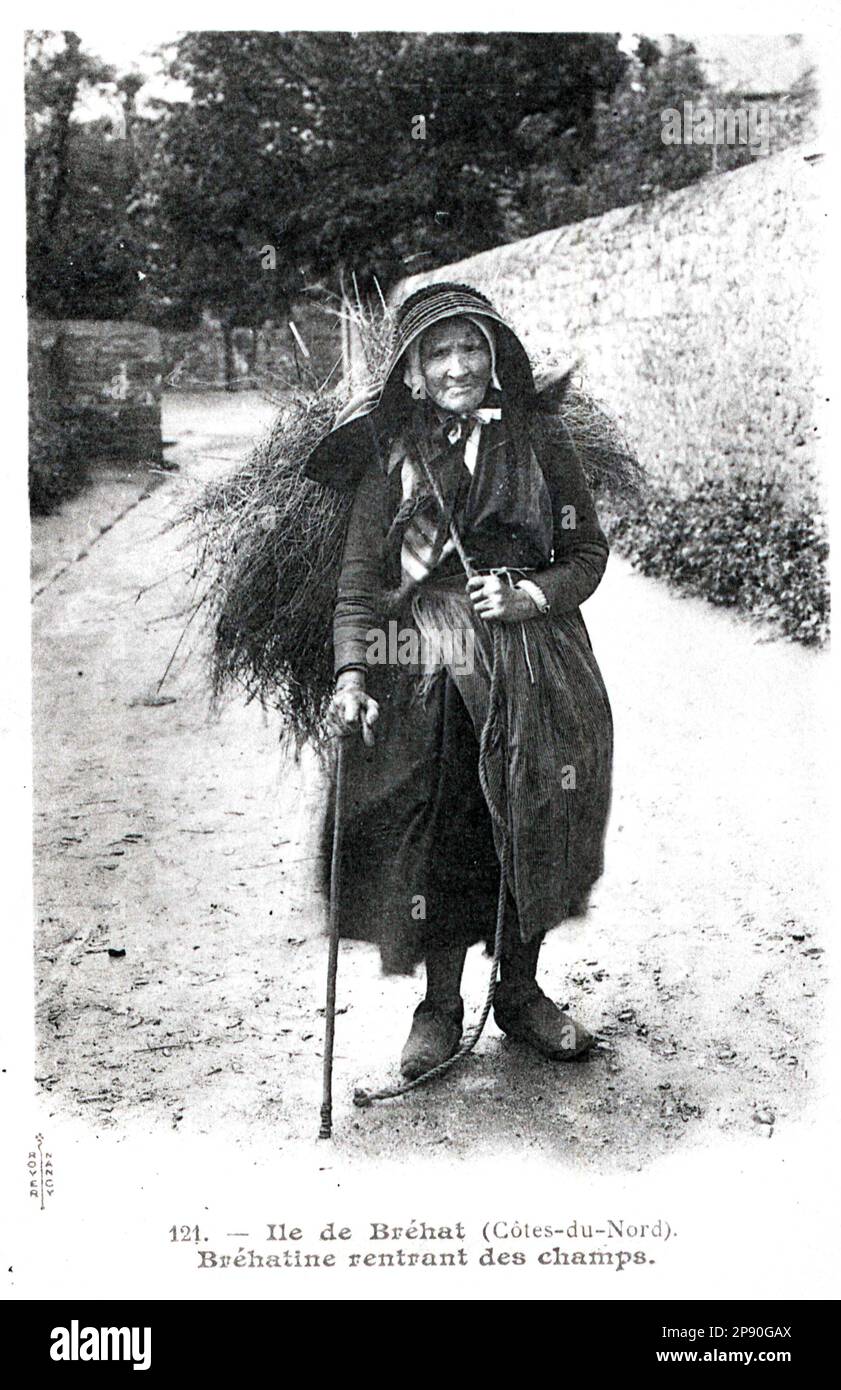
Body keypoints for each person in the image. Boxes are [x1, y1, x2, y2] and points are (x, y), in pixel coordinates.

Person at [305, 282, 613, 1082]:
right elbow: (359, 585)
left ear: (495, 354)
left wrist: (529, 594)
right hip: (426, 669)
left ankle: (517, 993)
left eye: (470, 346)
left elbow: (586, 555)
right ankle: (439, 1007)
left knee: (536, 810)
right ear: (410, 372)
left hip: (534, 661)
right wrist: (350, 674)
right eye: (437, 352)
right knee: (443, 822)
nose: (456, 366)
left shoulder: (540, 440)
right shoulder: (392, 458)